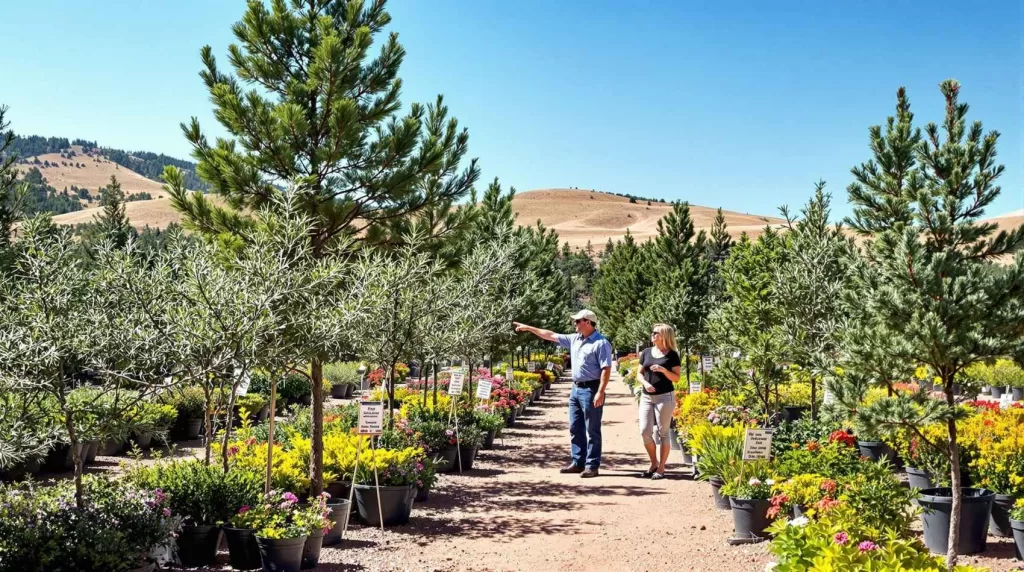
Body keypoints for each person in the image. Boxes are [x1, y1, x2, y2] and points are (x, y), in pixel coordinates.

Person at [513, 310, 612, 478]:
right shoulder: (575, 339)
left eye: (577, 321)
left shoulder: (601, 343)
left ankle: (592, 465)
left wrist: (600, 392)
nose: (574, 323)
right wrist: (529, 328)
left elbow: (606, 369)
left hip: (591, 389)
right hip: (576, 389)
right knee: (575, 427)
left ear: (588, 322)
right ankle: (578, 462)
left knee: (592, 429)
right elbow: (550, 335)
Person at [636, 323, 681, 479]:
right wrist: (646, 384)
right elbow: (639, 374)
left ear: (664, 336)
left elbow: (676, 378)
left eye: (656, 333)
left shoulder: (672, 355)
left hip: (665, 397)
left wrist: (663, 370)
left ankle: (661, 468)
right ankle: (653, 462)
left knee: (663, 433)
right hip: (646, 396)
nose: (652, 335)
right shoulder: (646, 352)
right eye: (653, 333)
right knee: (644, 431)